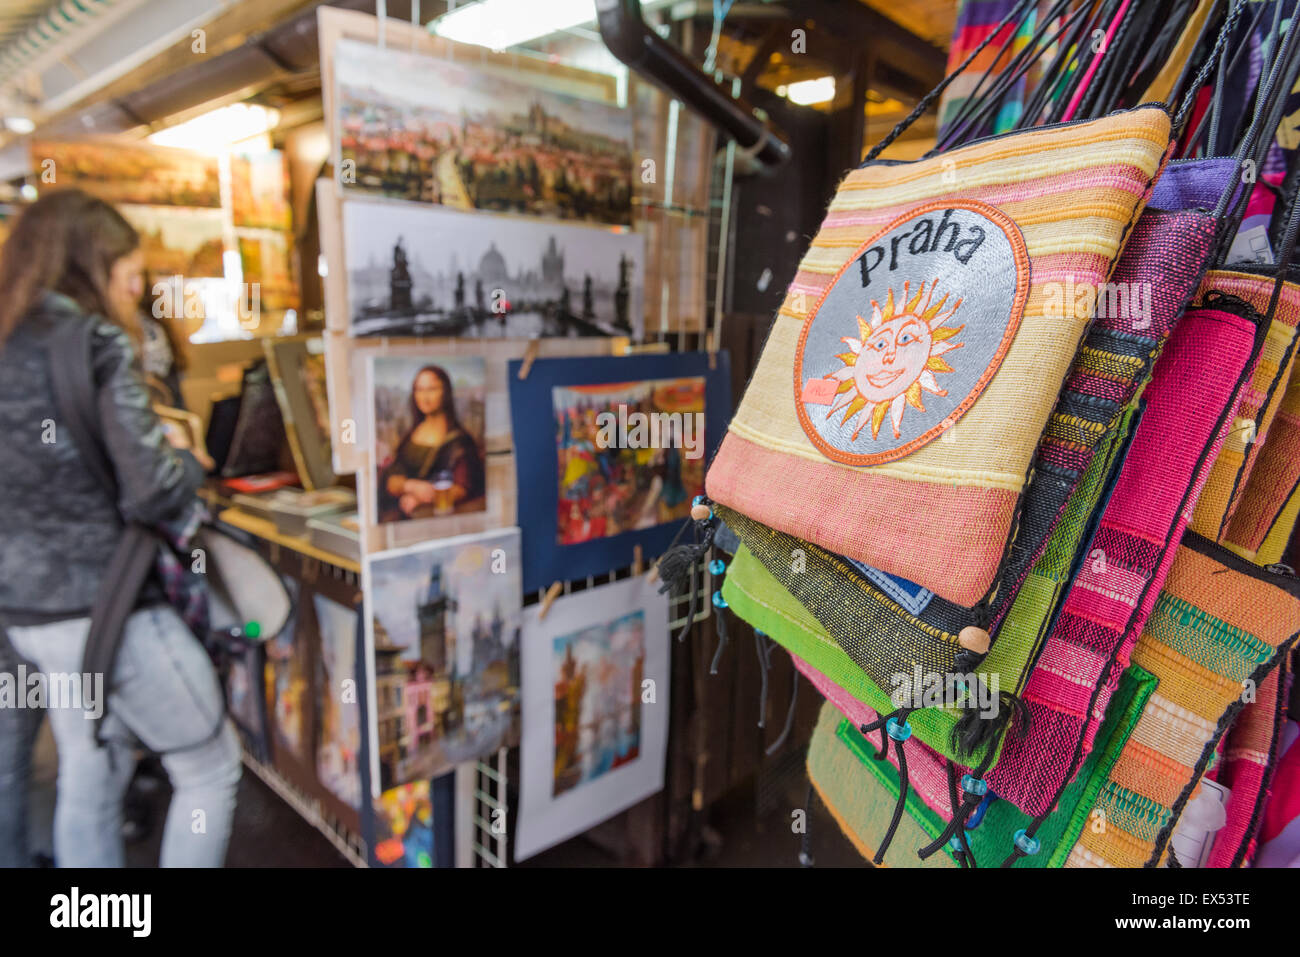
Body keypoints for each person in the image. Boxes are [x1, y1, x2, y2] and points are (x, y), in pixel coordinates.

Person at [0, 189, 240, 867]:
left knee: (89, 763)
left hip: (25, 614)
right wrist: (188, 462)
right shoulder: (94, 342)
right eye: (132, 279)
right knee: (208, 764)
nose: (136, 298)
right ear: (94, 266)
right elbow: (155, 491)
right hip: (109, 608)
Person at [377, 365, 486, 521]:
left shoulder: (460, 441)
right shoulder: (410, 436)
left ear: (445, 392)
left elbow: (463, 488)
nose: (425, 397)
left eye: (432, 389)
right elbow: (391, 479)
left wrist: (424, 498)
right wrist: (411, 486)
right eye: (419, 390)